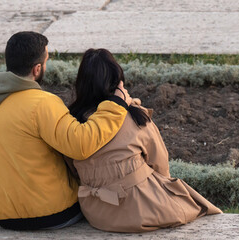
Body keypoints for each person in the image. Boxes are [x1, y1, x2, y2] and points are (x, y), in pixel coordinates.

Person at [0, 32, 132, 230]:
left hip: (1, 214)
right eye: (46, 61)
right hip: (51, 213)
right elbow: (81, 145)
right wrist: (117, 104)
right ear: (37, 69)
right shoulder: (42, 104)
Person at [66, 48, 222, 233]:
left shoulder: (72, 123)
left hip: (97, 212)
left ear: (81, 84)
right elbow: (160, 163)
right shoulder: (134, 115)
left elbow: (73, 169)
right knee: (198, 205)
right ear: (118, 82)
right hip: (140, 209)